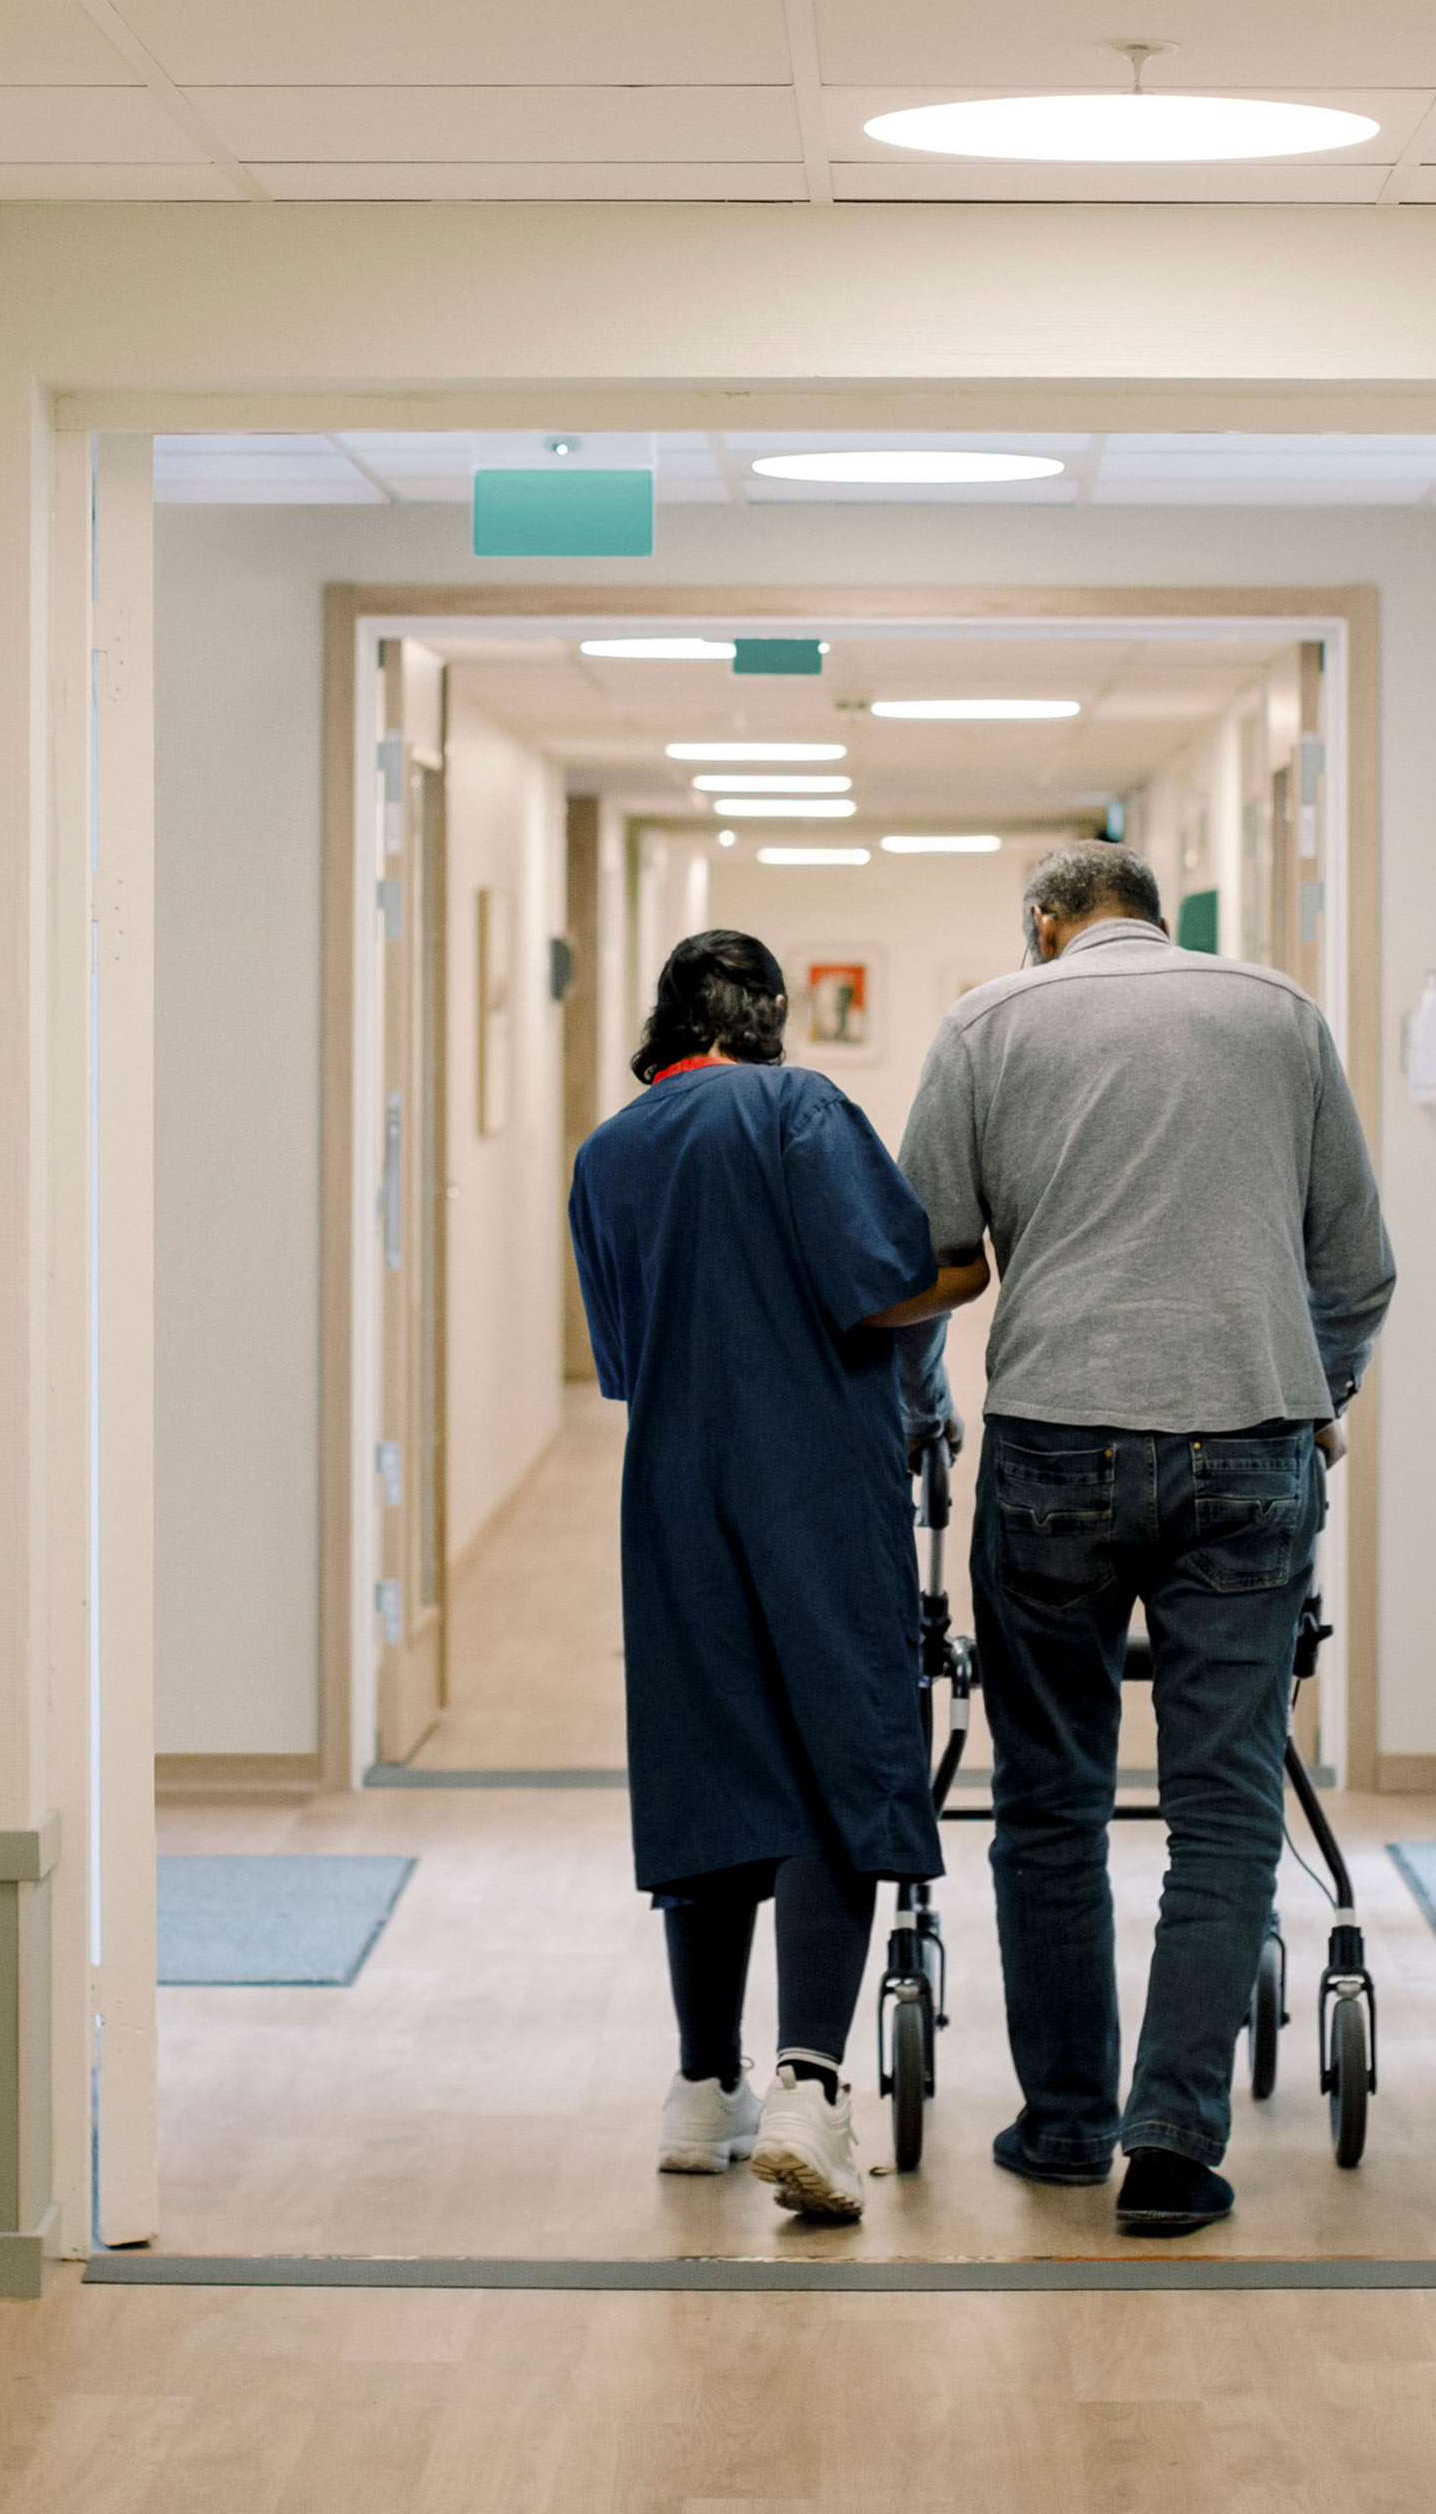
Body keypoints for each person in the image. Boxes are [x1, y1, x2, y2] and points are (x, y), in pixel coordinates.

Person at [896, 842, 1394, 2236]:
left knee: (1049, 1794)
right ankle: (1174, 2143)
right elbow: (1355, 1271)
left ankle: (1064, 2126)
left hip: (1055, 1438)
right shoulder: (1279, 1016)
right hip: (1250, 1436)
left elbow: (929, 1252)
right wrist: (1317, 1403)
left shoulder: (991, 1021)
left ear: (1048, 926)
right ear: (1158, 922)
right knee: (1224, 1797)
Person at [566, 930, 986, 2220]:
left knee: (709, 1754)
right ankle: (810, 2084)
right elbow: (882, 1292)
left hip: (674, 1489)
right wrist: (976, 1262)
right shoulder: (796, 1105)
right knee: (831, 1756)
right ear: (770, 1020)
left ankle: (704, 2089)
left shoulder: (609, 1154)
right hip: (810, 1483)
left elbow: (624, 1361)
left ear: (666, 1023)